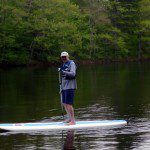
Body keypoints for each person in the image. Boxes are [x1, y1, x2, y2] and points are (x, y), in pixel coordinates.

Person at [59, 51, 77, 125]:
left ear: (67, 56)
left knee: (69, 104)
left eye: (65, 57)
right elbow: (63, 78)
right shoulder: (64, 64)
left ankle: (73, 121)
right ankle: (69, 118)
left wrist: (63, 71)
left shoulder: (71, 63)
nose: (63, 58)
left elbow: (73, 74)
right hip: (64, 87)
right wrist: (61, 88)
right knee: (64, 103)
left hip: (70, 86)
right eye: (62, 57)